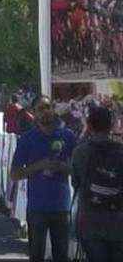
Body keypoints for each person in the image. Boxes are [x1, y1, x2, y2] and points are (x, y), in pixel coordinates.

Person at [10, 101, 77, 262]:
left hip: (61, 205)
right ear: (35, 115)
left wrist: (61, 166)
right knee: (37, 254)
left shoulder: (67, 136)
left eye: (49, 107)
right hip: (37, 206)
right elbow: (15, 174)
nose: (46, 111)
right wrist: (39, 166)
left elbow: (76, 169)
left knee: (61, 255)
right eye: (41, 108)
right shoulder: (27, 139)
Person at [71, 106, 123, 262]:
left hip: (90, 221)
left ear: (90, 126)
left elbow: (76, 183)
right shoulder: (121, 152)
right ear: (111, 125)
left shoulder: (80, 152)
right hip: (118, 221)